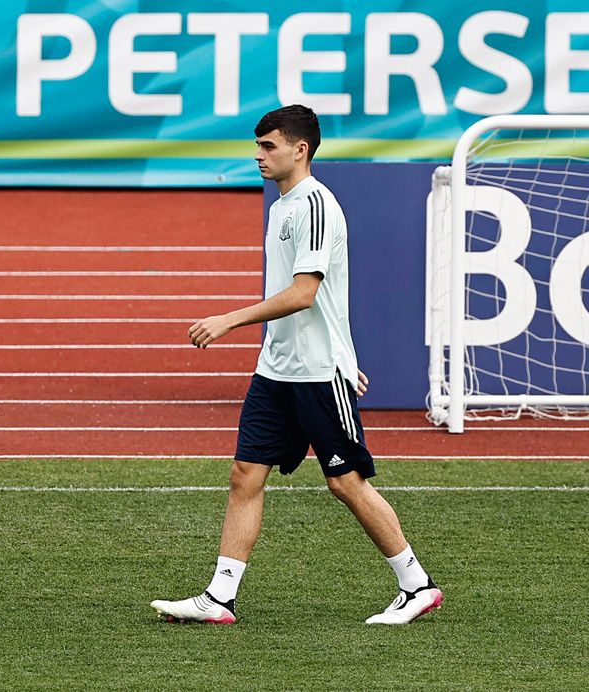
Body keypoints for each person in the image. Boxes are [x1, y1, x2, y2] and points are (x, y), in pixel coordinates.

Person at [150, 105, 442, 626]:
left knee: (345, 481)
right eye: (258, 146)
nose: (258, 155)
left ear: (299, 149)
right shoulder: (281, 205)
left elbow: (305, 294)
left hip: (316, 371)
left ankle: (416, 584)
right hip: (277, 369)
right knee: (245, 473)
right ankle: (220, 597)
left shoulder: (316, 204)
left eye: (268, 146)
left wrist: (230, 320)